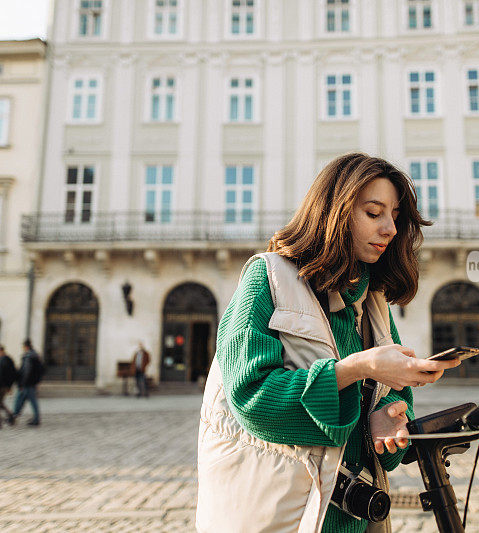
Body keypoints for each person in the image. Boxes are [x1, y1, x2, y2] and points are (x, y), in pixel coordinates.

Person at [196, 153, 461, 533]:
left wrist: (386, 417)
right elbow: (252, 399)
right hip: (281, 517)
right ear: (333, 212)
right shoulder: (266, 278)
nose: (389, 228)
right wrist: (359, 367)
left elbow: (394, 396)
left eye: (395, 216)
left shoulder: (373, 300)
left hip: (355, 518)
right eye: (374, 213)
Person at [12, 339, 44, 426]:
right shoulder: (35, 355)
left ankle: (35, 419)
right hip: (32, 383)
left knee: (22, 400)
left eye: (23, 346)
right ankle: (14, 416)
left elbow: (26, 371)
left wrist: (22, 383)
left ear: (26, 346)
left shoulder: (28, 356)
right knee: (22, 400)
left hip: (27, 383)